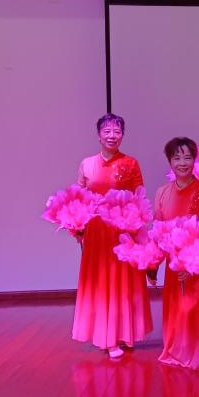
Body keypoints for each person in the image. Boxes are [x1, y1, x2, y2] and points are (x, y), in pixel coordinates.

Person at [72, 114, 152, 359]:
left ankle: (124, 333)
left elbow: (139, 196)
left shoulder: (131, 163)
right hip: (97, 230)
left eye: (117, 131)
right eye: (107, 131)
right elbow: (79, 198)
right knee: (102, 280)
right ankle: (107, 338)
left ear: (122, 135)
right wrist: (76, 225)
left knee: (123, 281)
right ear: (98, 135)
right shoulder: (87, 164)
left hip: (123, 229)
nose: (112, 135)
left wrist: (137, 228)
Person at [153, 137, 199, 369]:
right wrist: (153, 264)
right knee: (175, 304)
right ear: (169, 161)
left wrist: (192, 264)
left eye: (187, 158)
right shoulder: (162, 192)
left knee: (194, 305)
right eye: (177, 158)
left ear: (194, 160)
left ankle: (197, 352)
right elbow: (158, 229)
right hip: (173, 262)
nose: (182, 163)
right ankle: (176, 347)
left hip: (197, 261)